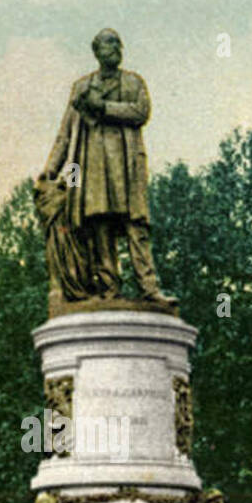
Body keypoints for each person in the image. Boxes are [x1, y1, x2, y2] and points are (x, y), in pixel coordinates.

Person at [38, 28, 176, 309]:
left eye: (116, 44)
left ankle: (149, 288)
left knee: (135, 225)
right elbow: (65, 133)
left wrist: (102, 107)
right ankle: (109, 287)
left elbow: (140, 112)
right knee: (99, 227)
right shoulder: (81, 88)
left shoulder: (133, 82)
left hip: (126, 167)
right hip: (92, 170)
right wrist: (50, 171)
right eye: (106, 44)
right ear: (96, 51)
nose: (113, 49)